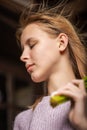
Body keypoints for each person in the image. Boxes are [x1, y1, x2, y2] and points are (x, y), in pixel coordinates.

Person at [13, 1, 87, 130]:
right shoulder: (23, 120)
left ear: (61, 43)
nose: (22, 56)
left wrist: (82, 125)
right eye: (23, 49)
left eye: (32, 45)